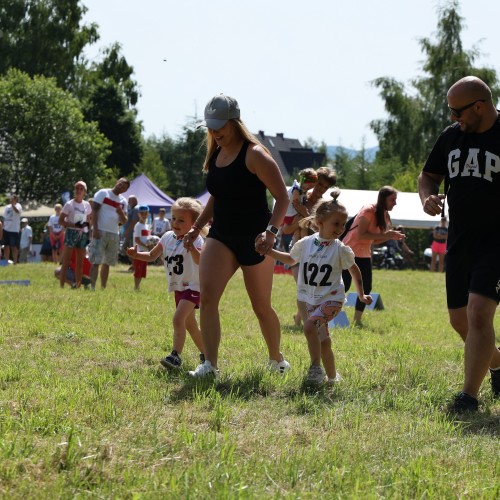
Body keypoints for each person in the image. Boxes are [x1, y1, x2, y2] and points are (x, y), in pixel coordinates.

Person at [182, 93, 290, 379]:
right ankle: (210, 366)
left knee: (261, 307)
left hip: (255, 239)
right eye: (211, 127)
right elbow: (217, 197)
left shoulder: (255, 154)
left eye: (220, 126)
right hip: (221, 236)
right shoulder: (216, 153)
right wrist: (196, 227)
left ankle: (276, 359)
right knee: (207, 298)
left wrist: (271, 233)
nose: (215, 132)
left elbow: (282, 197)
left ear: (234, 122)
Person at [418, 76, 500, 413]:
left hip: (497, 242)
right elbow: (429, 175)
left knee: (479, 312)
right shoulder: (452, 137)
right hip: (460, 240)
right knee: (460, 321)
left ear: (479, 106)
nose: (454, 119)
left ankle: (468, 397)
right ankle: (496, 364)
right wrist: (426, 198)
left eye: (457, 112)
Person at [267, 190, 372, 385]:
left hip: (331, 299)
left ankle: (315, 368)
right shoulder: (305, 243)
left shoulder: (340, 248)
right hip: (308, 300)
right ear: (320, 222)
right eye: (336, 223)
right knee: (323, 341)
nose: (341, 228)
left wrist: (362, 294)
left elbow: (355, 271)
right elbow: (290, 259)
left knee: (309, 326)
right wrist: (270, 251)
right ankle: (332, 378)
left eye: (343, 224)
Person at [127, 197, 205, 369]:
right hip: (178, 287)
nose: (175, 223)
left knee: (178, 319)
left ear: (194, 224)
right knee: (190, 325)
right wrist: (136, 255)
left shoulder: (197, 239)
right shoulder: (168, 237)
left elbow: (201, 261)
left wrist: (191, 247)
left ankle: (175, 356)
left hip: (193, 286)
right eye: (173, 218)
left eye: (181, 220)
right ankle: (206, 354)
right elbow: (152, 256)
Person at [282, 166, 338, 326]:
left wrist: (305, 214)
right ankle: (305, 323)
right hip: (298, 248)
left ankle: (299, 318)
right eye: (320, 184)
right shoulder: (298, 196)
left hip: (318, 252)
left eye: (326, 187)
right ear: (313, 181)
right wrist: (298, 219)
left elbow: (323, 231)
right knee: (303, 286)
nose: (321, 189)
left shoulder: (325, 205)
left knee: (312, 289)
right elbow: (286, 229)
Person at [341, 186, 405, 326]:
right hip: (349, 251)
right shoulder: (369, 211)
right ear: (383, 199)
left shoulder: (384, 215)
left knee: (366, 288)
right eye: (392, 199)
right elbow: (360, 235)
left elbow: (374, 240)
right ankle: (329, 314)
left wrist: (390, 237)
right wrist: (385, 234)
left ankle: (357, 321)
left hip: (364, 254)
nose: (395, 203)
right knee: (343, 286)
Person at [89, 177, 129, 289]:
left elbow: (124, 221)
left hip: (114, 234)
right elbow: (95, 211)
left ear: (125, 191)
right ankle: (92, 286)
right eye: (120, 184)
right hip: (100, 230)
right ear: (117, 182)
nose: (121, 187)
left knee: (107, 263)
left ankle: (103, 287)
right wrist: (95, 229)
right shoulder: (103, 193)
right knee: (96, 261)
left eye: (124, 187)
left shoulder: (123, 201)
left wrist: (121, 213)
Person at [58, 181, 92, 289]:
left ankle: (78, 286)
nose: (78, 190)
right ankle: (62, 286)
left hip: (82, 234)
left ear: (85, 192)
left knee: (80, 263)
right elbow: (61, 221)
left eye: (81, 188)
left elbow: (89, 220)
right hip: (71, 233)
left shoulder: (87, 205)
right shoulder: (69, 204)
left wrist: (84, 226)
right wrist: (74, 225)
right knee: (66, 261)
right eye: (77, 188)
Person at [131, 205, 151, 291]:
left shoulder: (147, 226)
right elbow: (137, 240)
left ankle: (138, 286)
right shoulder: (138, 225)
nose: (144, 215)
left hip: (145, 251)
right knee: (138, 270)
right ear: (139, 214)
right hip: (139, 251)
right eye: (142, 213)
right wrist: (146, 246)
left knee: (142, 271)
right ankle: (136, 287)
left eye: (145, 213)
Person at [2, 194, 23, 264]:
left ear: (16, 199)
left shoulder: (18, 205)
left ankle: (15, 262)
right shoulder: (7, 207)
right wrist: (3, 227)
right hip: (6, 229)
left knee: (14, 247)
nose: (11, 200)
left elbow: (17, 212)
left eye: (13, 199)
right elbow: (5, 217)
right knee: (6, 246)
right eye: (10, 199)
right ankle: (6, 261)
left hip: (13, 230)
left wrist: (13, 205)